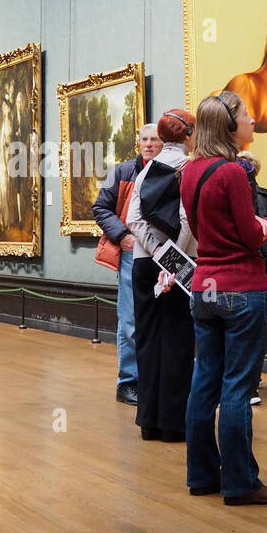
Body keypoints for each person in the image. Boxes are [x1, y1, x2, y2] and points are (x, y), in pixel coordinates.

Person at [180, 92, 267, 506]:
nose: (253, 119)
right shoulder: (231, 173)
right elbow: (247, 234)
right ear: (228, 125)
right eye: (245, 114)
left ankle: (202, 475)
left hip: (205, 287)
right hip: (241, 288)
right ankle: (240, 482)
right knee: (237, 389)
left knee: (204, 383)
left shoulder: (190, 172)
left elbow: (207, 227)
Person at [125, 109, 197, 442]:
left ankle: (148, 421)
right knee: (178, 341)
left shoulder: (146, 171)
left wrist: (154, 252)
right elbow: (185, 220)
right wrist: (172, 259)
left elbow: (133, 219)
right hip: (179, 265)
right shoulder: (188, 167)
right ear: (188, 135)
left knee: (148, 339)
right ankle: (173, 423)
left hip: (143, 262)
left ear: (163, 137)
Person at [93, 123, 163, 405]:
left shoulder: (171, 171)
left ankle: (155, 379)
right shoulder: (122, 172)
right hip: (131, 254)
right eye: (144, 139)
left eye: (154, 139)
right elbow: (100, 207)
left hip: (162, 253)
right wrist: (122, 236)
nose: (148, 144)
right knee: (131, 318)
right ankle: (128, 382)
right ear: (138, 143)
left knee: (160, 319)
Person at [237, 151, 267, 406]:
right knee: (253, 329)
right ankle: (250, 381)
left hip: (252, 268)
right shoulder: (261, 195)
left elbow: (261, 235)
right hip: (258, 268)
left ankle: (249, 384)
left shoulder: (260, 196)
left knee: (251, 330)